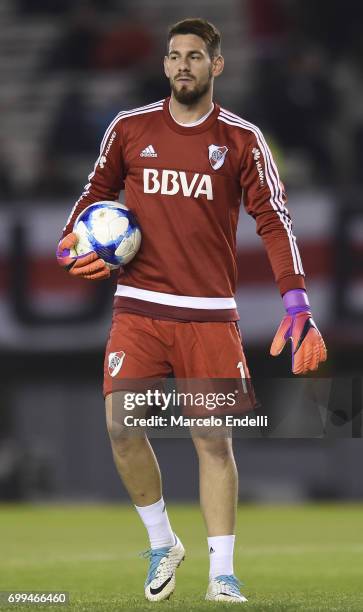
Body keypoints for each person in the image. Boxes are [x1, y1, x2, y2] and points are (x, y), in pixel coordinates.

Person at [57, 18, 327, 604]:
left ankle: (223, 574)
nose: (184, 65)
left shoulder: (242, 140)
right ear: (164, 65)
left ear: (216, 65)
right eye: (175, 55)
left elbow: (275, 221)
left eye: (196, 57)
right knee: (121, 426)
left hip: (209, 312)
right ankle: (162, 543)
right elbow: (95, 191)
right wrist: (69, 238)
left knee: (213, 441)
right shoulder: (129, 129)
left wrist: (297, 299)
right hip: (139, 305)